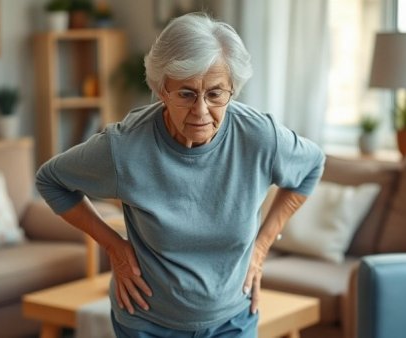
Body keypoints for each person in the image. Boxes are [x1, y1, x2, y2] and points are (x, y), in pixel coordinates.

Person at [36, 12, 325, 338]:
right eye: (186, 93)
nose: (201, 111)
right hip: (147, 323)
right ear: (162, 89)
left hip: (234, 320)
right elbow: (51, 180)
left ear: (233, 89)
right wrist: (114, 246)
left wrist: (262, 247)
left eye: (216, 93)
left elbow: (312, 165)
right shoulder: (125, 147)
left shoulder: (260, 137)